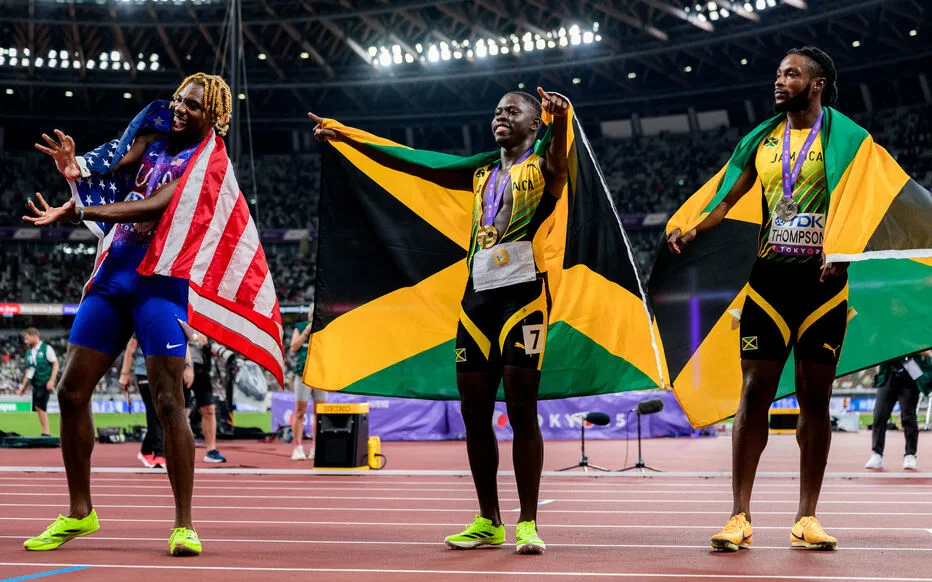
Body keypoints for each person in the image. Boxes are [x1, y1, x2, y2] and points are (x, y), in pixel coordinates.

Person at [313, 86, 568, 554]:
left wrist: (561, 120)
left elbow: (559, 159)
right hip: (477, 300)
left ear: (534, 124)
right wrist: (349, 139)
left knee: (520, 407)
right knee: (473, 413)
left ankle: (527, 522)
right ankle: (488, 519)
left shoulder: (545, 165)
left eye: (512, 111)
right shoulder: (481, 171)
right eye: (496, 111)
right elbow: (419, 162)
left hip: (525, 297)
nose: (500, 116)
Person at [20, 73, 236, 556]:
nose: (180, 108)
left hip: (160, 282)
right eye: (179, 99)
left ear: (215, 116)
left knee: (167, 402)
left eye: (194, 106)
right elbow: (115, 166)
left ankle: (184, 525)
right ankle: (81, 513)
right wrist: (75, 175)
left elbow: (158, 206)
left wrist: (83, 215)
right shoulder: (155, 139)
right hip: (115, 274)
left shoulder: (208, 164)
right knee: (71, 391)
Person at [668, 47, 849, 552]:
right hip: (769, 283)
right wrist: (692, 228)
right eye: (778, 73)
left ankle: (806, 518)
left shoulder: (847, 139)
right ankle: (739, 516)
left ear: (816, 85)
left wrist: (845, 254)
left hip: (823, 288)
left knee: (817, 398)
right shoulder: (763, 141)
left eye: (791, 74)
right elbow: (726, 199)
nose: (779, 80)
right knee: (754, 394)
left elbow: (866, 205)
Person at [865, 351, 932, 471]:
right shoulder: (886, 333)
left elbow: (926, 351)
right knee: (879, 414)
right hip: (888, 371)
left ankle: (910, 455)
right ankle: (876, 454)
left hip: (910, 367)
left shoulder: (915, 333)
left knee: (909, 416)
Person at [119, 336, 175, 469]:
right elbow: (130, 349)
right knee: (154, 412)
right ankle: (159, 453)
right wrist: (124, 374)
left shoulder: (168, 320)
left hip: (165, 373)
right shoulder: (141, 322)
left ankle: (146, 450)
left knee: (162, 414)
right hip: (145, 373)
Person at [289, 310, 327, 461]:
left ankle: (316, 448)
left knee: (320, 414)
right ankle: (297, 447)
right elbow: (293, 347)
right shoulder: (300, 327)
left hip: (320, 376)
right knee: (300, 412)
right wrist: (306, 332)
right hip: (303, 375)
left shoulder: (326, 329)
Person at [187, 331, 226, 463]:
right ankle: (181, 449)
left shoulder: (204, 320)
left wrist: (214, 345)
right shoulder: (178, 312)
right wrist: (193, 337)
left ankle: (211, 450)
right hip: (182, 366)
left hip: (202, 369)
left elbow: (211, 345)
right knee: (181, 411)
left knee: (209, 409)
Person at [16, 328, 59, 437]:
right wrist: (23, 388)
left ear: (34, 335)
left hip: (44, 382)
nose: (25, 341)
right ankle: (45, 431)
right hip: (35, 384)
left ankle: (46, 432)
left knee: (40, 407)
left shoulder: (46, 348)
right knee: (37, 407)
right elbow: (29, 372)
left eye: (27, 338)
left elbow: (55, 364)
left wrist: (51, 380)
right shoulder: (29, 352)